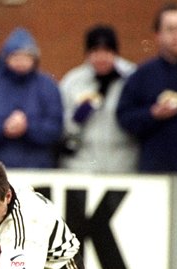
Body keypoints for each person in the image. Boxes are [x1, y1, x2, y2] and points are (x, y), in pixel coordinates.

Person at [116, 2, 177, 172]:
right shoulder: (142, 75)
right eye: (169, 29)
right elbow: (124, 116)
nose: (176, 36)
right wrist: (152, 114)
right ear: (157, 35)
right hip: (155, 171)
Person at [0, 27, 63, 168]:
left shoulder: (47, 86)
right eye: (16, 56)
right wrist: (1, 129)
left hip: (37, 170)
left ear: (34, 59)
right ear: (6, 58)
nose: (21, 61)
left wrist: (28, 127)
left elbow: (55, 128)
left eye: (26, 56)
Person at [59, 25, 138, 173]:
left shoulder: (131, 78)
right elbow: (61, 125)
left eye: (107, 51)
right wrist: (76, 119)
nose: (101, 58)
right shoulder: (74, 81)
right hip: (82, 163)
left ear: (115, 53)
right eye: (95, 51)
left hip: (122, 163)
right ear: (87, 54)